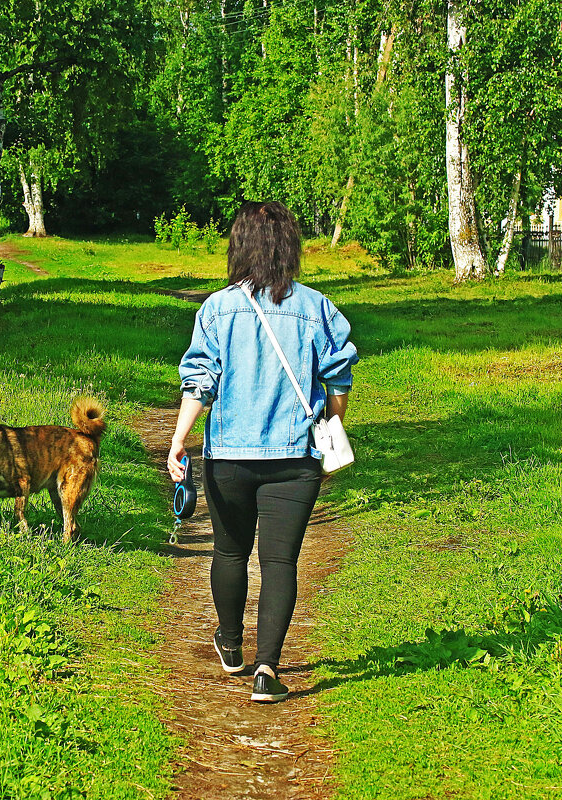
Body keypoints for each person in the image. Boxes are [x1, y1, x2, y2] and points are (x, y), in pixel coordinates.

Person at [167, 201, 358, 703]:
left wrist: (179, 437)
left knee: (229, 551)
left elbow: (200, 382)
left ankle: (231, 646)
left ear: (239, 247)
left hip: (229, 455)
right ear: (289, 248)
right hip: (296, 458)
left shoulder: (217, 308)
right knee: (280, 562)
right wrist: (332, 427)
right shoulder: (316, 307)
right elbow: (338, 378)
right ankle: (267, 670)